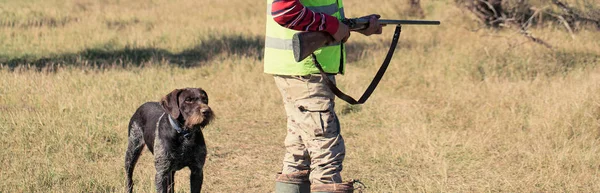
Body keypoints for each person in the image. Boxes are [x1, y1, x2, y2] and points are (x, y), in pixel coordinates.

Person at [264, 0, 383, 192]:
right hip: (306, 71)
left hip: (298, 68)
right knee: (326, 153)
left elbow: (316, 12)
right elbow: (284, 9)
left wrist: (356, 25)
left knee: (298, 154)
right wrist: (334, 25)